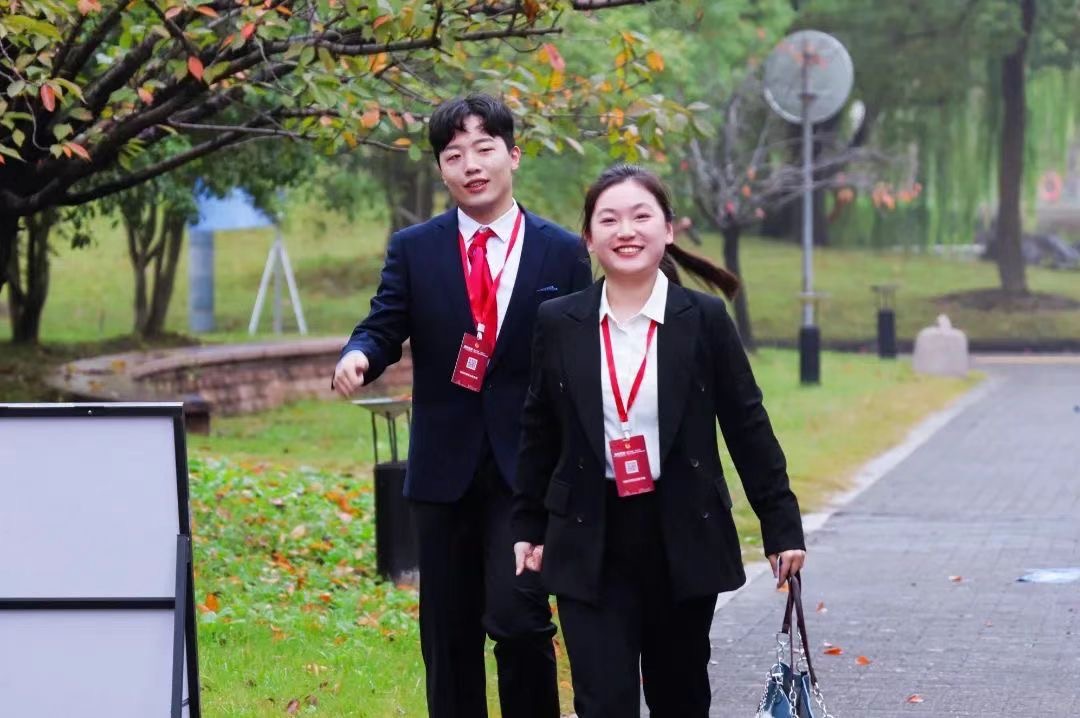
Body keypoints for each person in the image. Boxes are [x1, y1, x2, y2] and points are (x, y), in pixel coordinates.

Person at [511, 164, 806, 717]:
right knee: (603, 699)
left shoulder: (704, 319)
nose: (626, 231)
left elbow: (747, 424)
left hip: (681, 531)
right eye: (609, 220)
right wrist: (527, 523)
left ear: (668, 229)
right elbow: (539, 429)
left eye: (640, 216)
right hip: (587, 533)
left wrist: (781, 523)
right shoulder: (558, 321)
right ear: (588, 238)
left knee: (680, 694)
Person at [332, 94, 592, 718]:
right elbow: (384, 323)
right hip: (443, 470)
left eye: (484, 149)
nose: (471, 165)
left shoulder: (561, 252)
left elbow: (578, 362)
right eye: (454, 155)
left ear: (513, 156)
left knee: (520, 621)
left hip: (525, 472)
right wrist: (359, 354)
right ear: (440, 168)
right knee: (448, 638)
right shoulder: (415, 248)